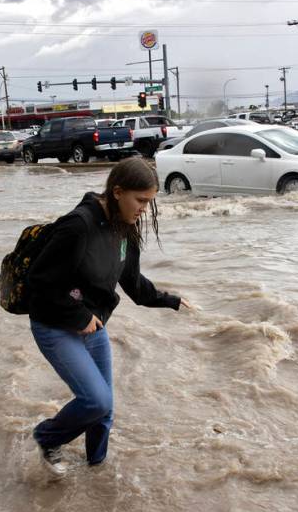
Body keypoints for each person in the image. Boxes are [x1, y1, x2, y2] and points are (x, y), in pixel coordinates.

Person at [26, 157, 192, 476]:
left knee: (105, 413)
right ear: (117, 192)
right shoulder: (78, 225)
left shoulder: (125, 227)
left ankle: (96, 470)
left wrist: (169, 299)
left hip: (93, 325)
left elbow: (133, 283)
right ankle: (47, 437)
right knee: (96, 401)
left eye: (150, 202)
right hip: (55, 324)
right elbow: (39, 281)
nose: (144, 209)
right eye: (140, 200)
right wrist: (77, 315)